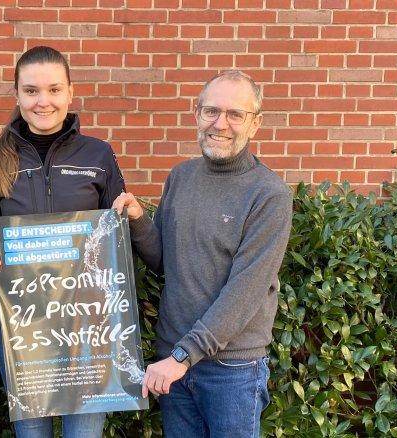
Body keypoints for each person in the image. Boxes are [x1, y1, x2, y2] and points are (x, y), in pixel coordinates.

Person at [113, 71, 293, 437]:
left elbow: (245, 292)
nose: (220, 124)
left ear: (255, 123)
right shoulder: (180, 177)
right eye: (211, 111)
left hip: (231, 371)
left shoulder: (269, 194)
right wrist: (138, 220)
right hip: (174, 361)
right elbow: (165, 262)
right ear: (197, 114)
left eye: (235, 114)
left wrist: (183, 356)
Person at [0, 46, 125, 438]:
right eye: (32, 90)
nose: (43, 101)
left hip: (89, 326)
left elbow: (119, 241)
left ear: (70, 92)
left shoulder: (98, 155)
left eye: (54, 89)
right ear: (17, 94)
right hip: (24, 327)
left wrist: (133, 219)